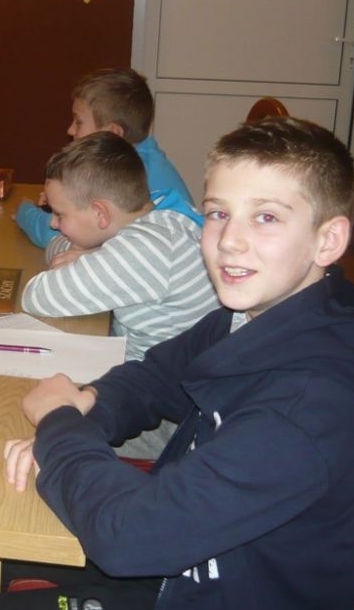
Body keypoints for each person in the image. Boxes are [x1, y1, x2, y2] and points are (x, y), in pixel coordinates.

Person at [0, 117, 354, 610]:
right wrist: (87, 406)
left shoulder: (306, 406)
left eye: (266, 217)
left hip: (200, 585)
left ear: (328, 240)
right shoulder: (253, 315)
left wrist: (59, 423)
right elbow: (158, 375)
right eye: (218, 213)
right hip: (182, 553)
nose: (229, 241)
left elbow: (130, 538)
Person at [20, 132, 218, 457]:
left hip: (170, 423)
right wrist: (91, 252)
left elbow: (38, 295)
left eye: (60, 214)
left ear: (101, 214)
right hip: (160, 390)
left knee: (25, 422)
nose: (53, 224)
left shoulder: (143, 249)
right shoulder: (163, 217)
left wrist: (76, 251)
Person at [16, 69, 192, 248]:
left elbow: (62, 234)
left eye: (78, 122)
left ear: (111, 133)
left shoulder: (126, 174)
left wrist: (25, 211)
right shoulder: (145, 159)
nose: (70, 130)